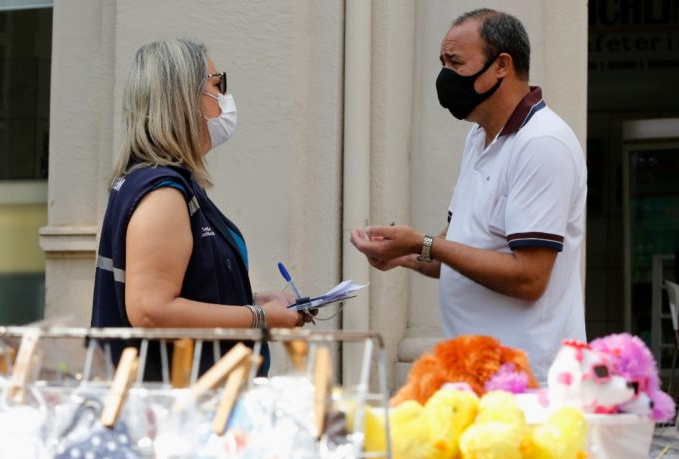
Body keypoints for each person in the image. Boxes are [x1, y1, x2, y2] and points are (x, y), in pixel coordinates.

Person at [350, 9, 587, 380]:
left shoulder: (542, 143)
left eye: (455, 62)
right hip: (476, 375)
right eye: (442, 62)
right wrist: (405, 253)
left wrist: (424, 242)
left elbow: (529, 278)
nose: (445, 76)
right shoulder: (478, 138)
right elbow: (461, 248)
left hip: (530, 382)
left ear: (501, 65)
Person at [91, 39, 307, 380]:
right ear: (183, 100)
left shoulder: (165, 185)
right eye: (216, 84)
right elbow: (151, 311)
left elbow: (188, 290)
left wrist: (248, 300)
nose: (223, 97)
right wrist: (259, 318)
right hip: (178, 408)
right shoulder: (161, 193)